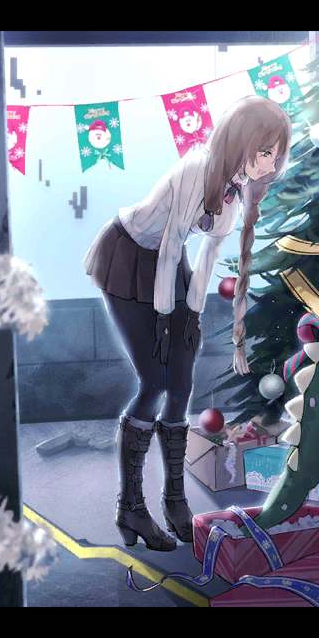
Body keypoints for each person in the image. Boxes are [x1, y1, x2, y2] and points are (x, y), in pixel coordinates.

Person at [83, 96, 291, 551]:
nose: (269, 164)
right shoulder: (197, 168)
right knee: (155, 381)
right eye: (264, 152)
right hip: (128, 256)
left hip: (168, 266)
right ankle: (130, 507)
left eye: (275, 155)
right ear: (241, 141)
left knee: (181, 383)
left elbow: (208, 253)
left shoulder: (236, 189)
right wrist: (164, 319)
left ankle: (175, 501)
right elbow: (172, 242)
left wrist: (192, 316)